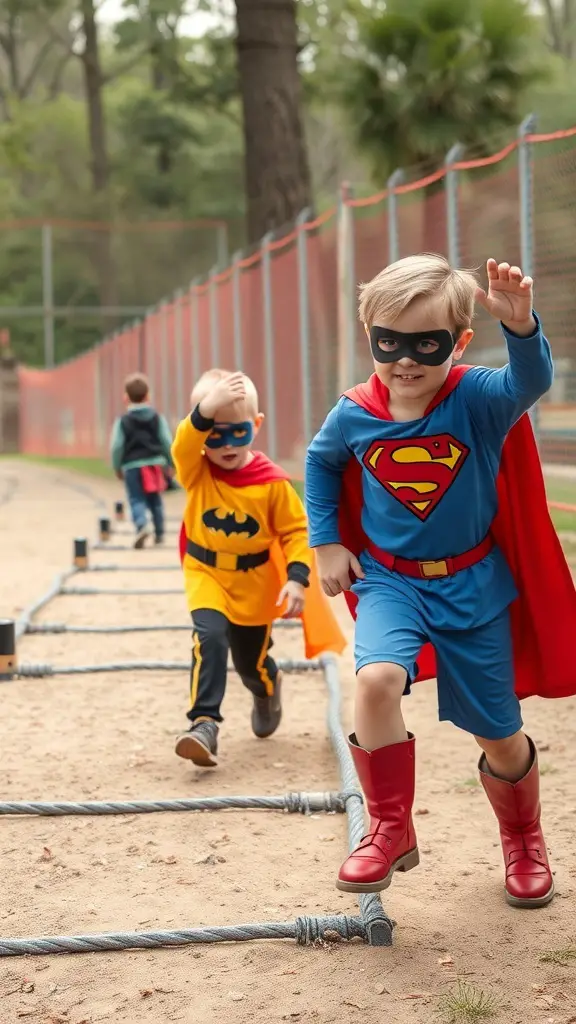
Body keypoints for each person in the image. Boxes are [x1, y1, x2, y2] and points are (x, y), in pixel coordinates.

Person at [304, 253, 575, 911]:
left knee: (498, 733)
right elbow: (321, 462)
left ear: (458, 342)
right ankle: (389, 828)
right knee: (375, 680)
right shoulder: (354, 412)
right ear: (369, 335)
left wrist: (521, 326)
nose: (404, 359)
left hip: (473, 587)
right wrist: (328, 542)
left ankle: (523, 837)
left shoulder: (476, 398)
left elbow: (530, 380)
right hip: (390, 584)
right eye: (387, 342)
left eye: (425, 344)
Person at [171, 368, 343, 768]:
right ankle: (204, 723)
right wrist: (205, 410)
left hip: (255, 583)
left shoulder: (272, 483)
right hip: (206, 573)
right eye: (214, 433)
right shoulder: (195, 471)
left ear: (257, 424)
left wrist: (297, 580)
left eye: (239, 431)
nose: (227, 444)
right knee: (209, 637)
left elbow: (296, 533)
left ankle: (267, 688)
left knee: (251, 663)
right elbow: (183, 443)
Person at [110, 372, 174, 548]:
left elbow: (116, 446)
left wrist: (117, 467)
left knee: (136, 498)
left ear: (125, 398)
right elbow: (166, 441)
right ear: (148, 396)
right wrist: (171, 463)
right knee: (155, 500)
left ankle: (141, 525)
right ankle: (159, 533)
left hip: (132, 466)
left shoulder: (122, 421)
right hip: (155, 465)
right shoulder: (157, 417)